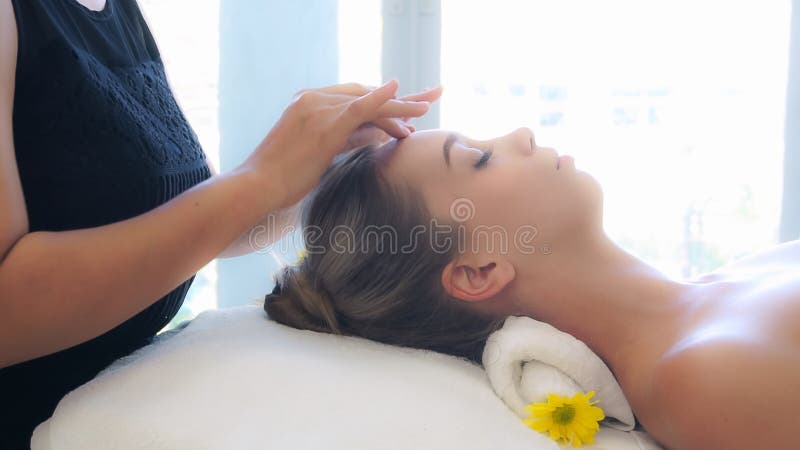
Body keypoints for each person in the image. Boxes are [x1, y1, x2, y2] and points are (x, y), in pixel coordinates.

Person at [0, 0, 442, 447]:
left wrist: (315, 170)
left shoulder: (118, 11)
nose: (518, 139)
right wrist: (265, 177)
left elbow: (190, 223)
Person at [264, 127, 800, 450]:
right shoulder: (701, 379)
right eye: (480, 158)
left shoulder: (737, 282)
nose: (521, 135)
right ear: (478, 271)